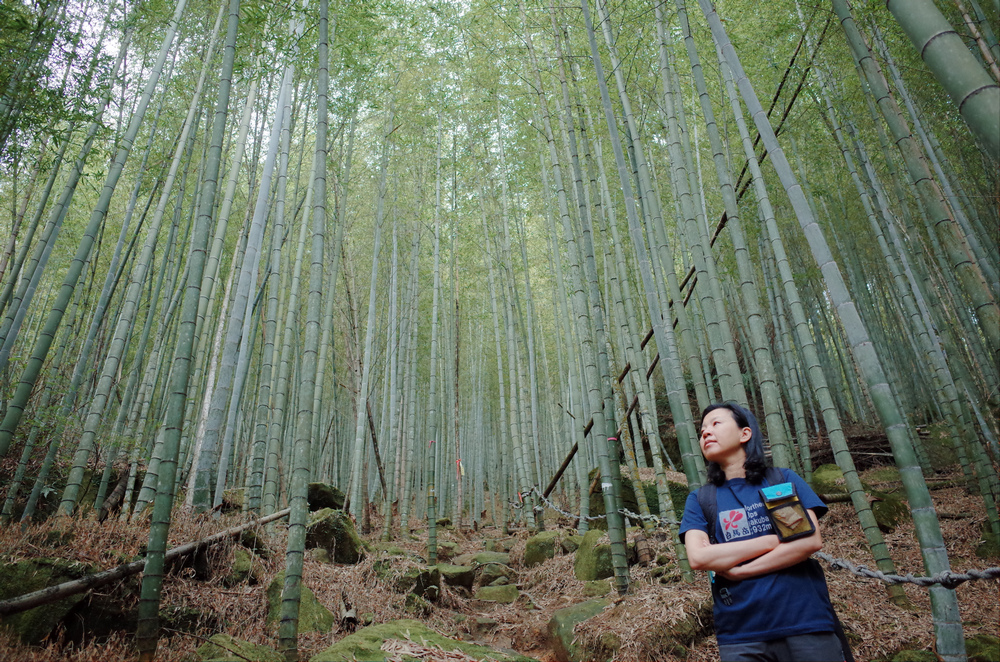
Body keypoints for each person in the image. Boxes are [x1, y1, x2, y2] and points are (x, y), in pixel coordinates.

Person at [679, 402, 846, 662]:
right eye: (702, 430)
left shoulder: (780, 480)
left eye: (715, 424)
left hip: (805, 621)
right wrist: (773, 539)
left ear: (745, 434)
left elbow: (810, 541)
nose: (705, 433)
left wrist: (742, 570)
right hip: (741, 633)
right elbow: (699, 558)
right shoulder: (701, 499)